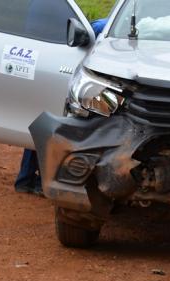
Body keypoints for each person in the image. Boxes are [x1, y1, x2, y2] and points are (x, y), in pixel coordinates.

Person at [15, 13, 109, 195]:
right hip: (72, 83)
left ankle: (26, 179)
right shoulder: (101, 29)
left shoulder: (103, 27)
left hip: (72, 81)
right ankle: (35, 181)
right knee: (53, 129)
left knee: (46, 126)